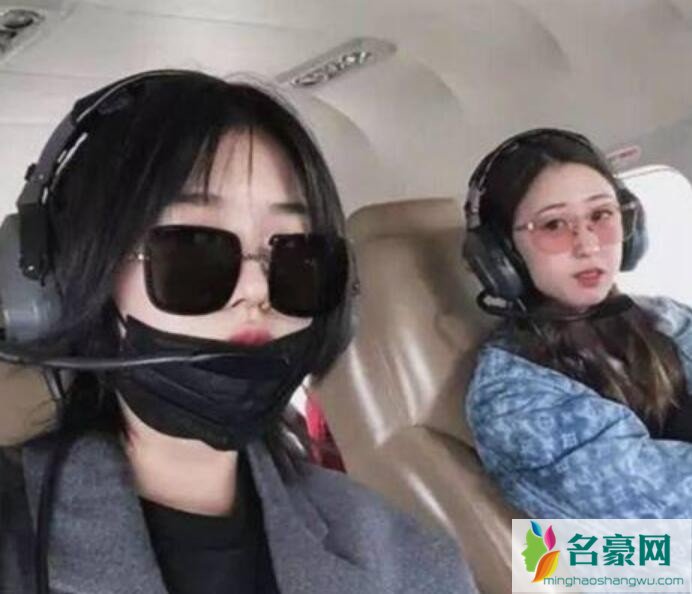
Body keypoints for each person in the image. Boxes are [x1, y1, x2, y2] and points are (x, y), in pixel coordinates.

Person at [0, 70, 477, 594]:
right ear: (70, 281)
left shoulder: (403, 549)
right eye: (194, 248)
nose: (257, 288)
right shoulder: (505, 382)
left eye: (295, 251)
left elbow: (549, 565)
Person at [463, 128, 692, 519]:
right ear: (502, 256)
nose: (588, 245)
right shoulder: (514, 399)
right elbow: (662, 509)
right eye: (553, 225)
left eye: (601, 215)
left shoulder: (663, 316)